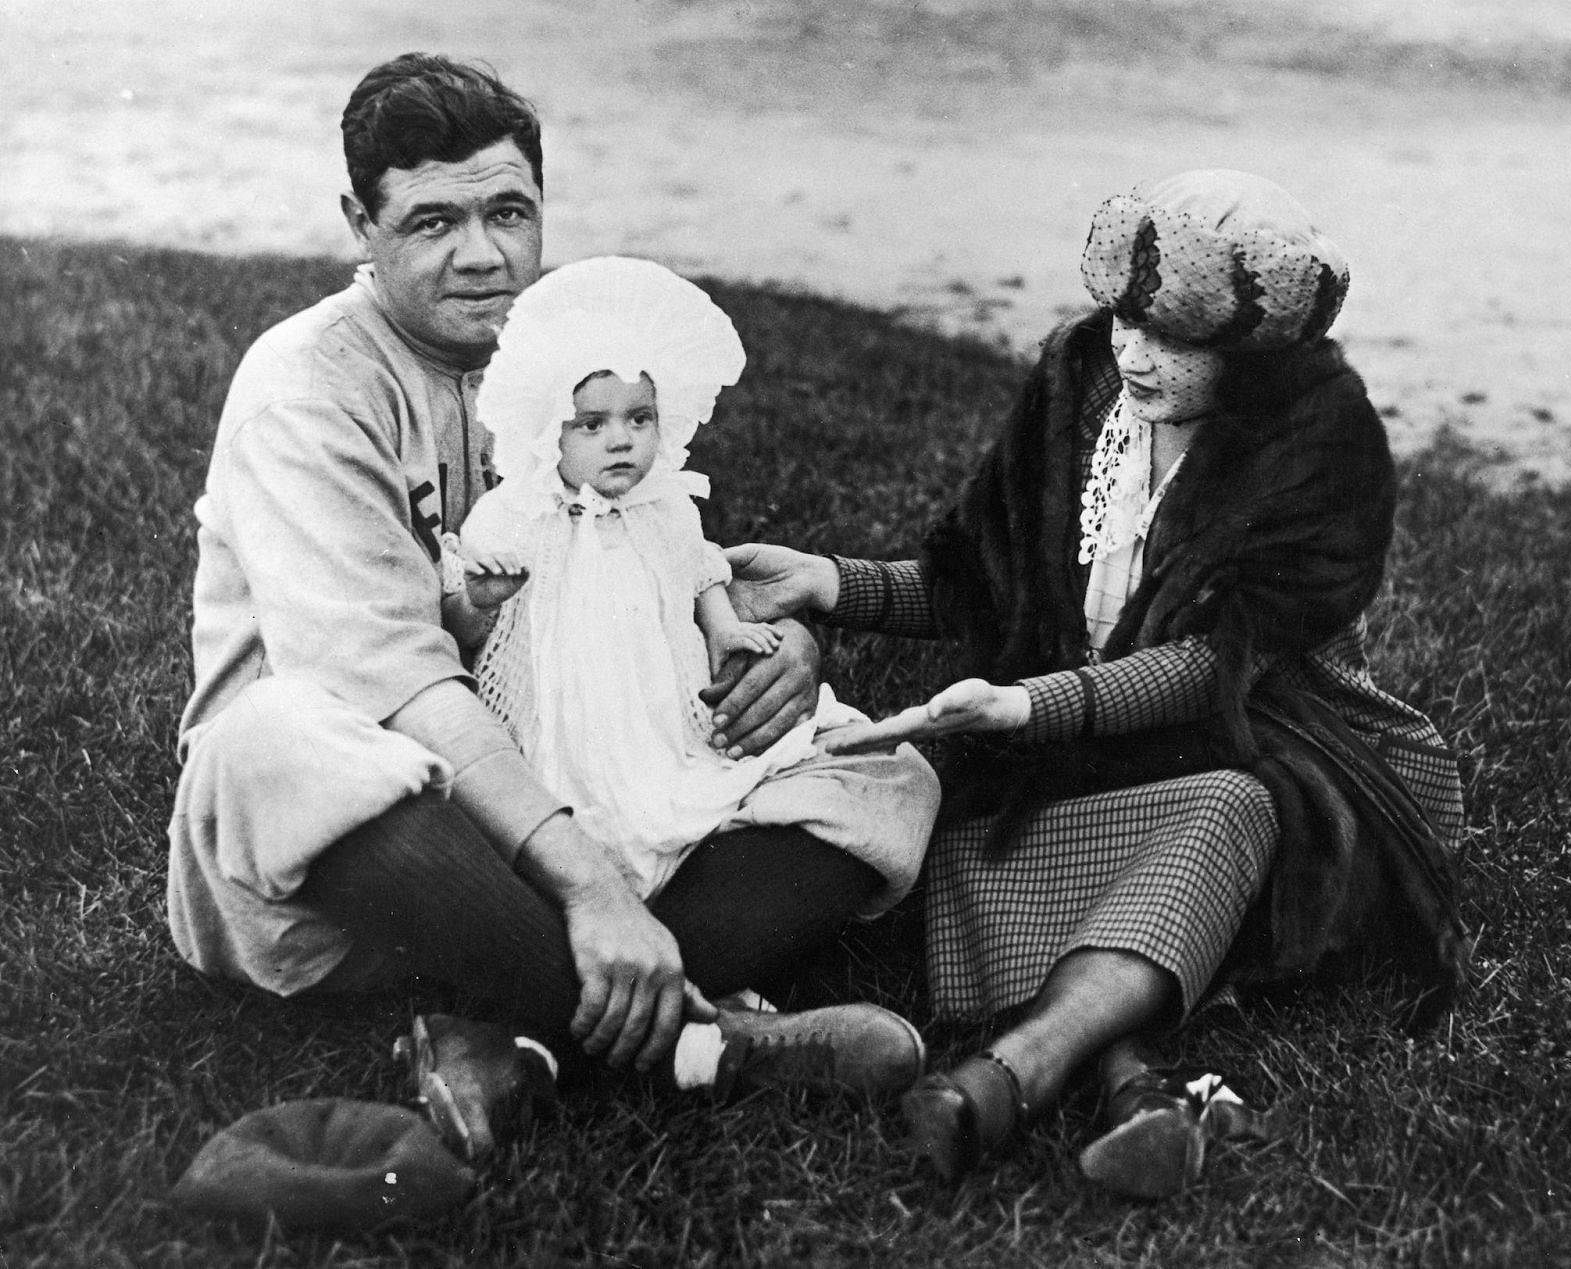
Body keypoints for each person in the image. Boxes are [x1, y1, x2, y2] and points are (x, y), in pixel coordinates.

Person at [164, 52, 940, 1162]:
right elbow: (397, 685)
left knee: (886, 774)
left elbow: (645, 560)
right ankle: (706, 1037)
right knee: (275, 745)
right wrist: (587, 889)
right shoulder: (308, 387)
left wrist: (777, 649)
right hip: (378, 842)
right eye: (433, 220)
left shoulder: (556, 361)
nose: (482, 254)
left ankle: (516, 1044)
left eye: (509, 212)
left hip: (561, 763)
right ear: (358, 221)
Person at [725, 170, 1468, 1195]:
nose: (1132, 352)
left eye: (1175, 338)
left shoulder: (1316, 446)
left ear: (1253, 361)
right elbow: (988, 585)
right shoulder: (1084, 387)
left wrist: (1032, 704)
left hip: (1257, 736)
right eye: (1123, 318)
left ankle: (1002, 1077)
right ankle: (1128, 1082)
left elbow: (1215, 668)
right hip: (1070, 750)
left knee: (1231, 807)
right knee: (1111, 823)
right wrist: (833, 582)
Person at [448, 254, 912, 904]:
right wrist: (482, 599)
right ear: (546, 428)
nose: (622, 441)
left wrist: (725, 628)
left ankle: (695, 882)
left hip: (661, 704)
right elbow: (465, 630)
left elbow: (698, 574)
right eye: (592, 424)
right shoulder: (518, 514)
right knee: (588, 809)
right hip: (568, 714)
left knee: (725, 776)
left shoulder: (664, 504)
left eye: (640, 419)